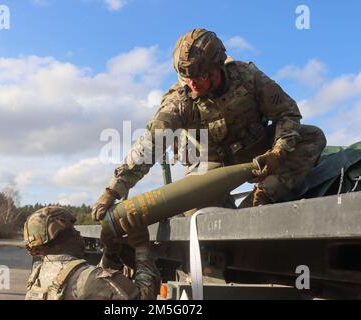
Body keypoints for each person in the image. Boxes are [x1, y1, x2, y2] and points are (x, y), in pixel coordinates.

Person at [91, 28, 327, 222]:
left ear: (219, 66)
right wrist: (113, 190)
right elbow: (151, 145)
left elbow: (287, 112)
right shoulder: (179, 103)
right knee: (202, 219)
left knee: (312, 137)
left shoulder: (248, 78)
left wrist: (278, 151)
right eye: (186, 77)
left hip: (258, 151)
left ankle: (262, 196)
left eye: (201, 76)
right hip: (209, 169)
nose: (194, 83)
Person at [24, 206, 160, 300]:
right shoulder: (88, 278)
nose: (78, 233)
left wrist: (110, 253)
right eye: (72, 228)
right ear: (60, 235)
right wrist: (142, 247)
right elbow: (143, 298)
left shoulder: (39, 272)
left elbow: (95, 286)